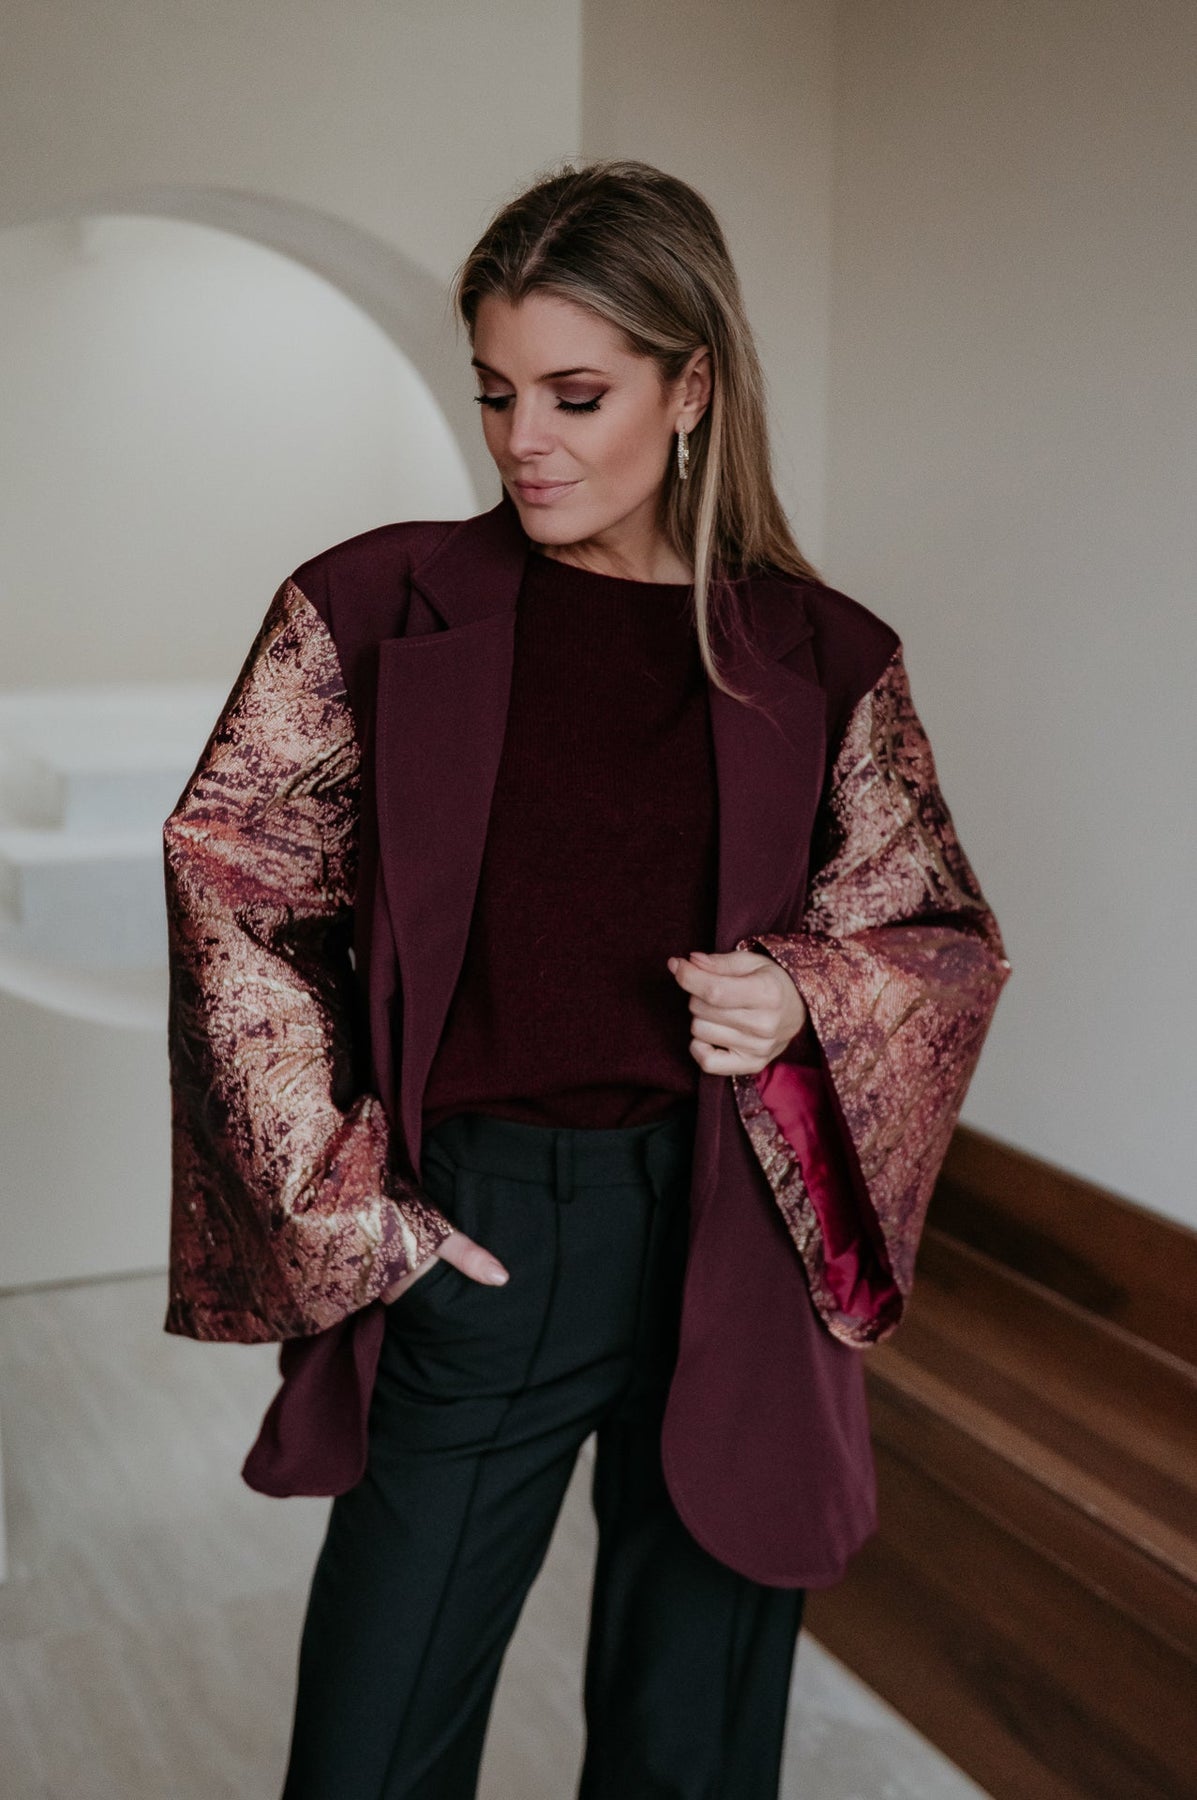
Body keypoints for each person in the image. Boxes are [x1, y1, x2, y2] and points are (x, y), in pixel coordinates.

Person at [161, 159, 1011, 1800]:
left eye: (574, 394)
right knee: (370, 1748)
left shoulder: (827, 656)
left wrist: (806, 995)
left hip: (738, 1238)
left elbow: (937, 938)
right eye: (497, 392)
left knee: (691, 1754)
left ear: (690, 389)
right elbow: (236, 895)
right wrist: (358, 1213)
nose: (522, 440)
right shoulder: (369, 607)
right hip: (482, 1238)